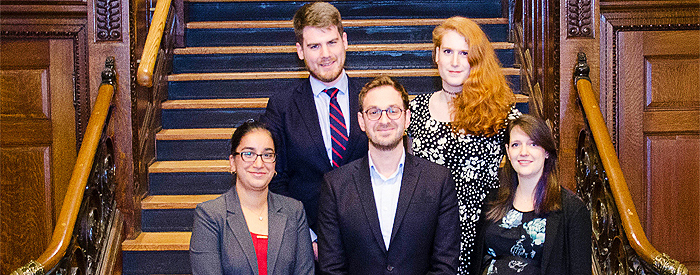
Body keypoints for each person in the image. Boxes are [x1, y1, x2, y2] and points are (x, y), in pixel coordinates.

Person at [405, 16, 521, 273]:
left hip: (482, 235)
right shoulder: (414, 110)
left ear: (476, 59)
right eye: (448, 51)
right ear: (436, 55)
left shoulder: (500, 113)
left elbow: (532, 157)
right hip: (428, 235)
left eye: (464, 53)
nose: (455, 62)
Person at [317, 76, 460, 275]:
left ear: (407, 117)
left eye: (393, 111)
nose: (384, 120)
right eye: (374, 112)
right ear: (362, 121)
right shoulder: (336, 185)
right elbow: (331, 267)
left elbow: (445, 264)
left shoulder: (438, 181)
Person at [259, 2, 368, 254]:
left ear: (345, 41)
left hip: (370, 245)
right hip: (309, 246)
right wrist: (304, 237)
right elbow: (276, 178)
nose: (325, 54)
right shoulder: (282, 106)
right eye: (314, 46)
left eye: (331, 42)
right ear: (300, 50)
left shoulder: (371, 98)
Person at [470, 114, 592, 275]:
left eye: (533, 144)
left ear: (546, 152)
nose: (523, 152)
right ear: (507, 151)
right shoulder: (493, 200)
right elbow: (477, 262)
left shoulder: (572, 209)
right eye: (516, 145)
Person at [190, 120, 314, 275]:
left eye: (267, 155)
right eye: (248, 154)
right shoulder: (210, 215)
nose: (259, 163)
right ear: (232, 162)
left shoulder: (294, 211)